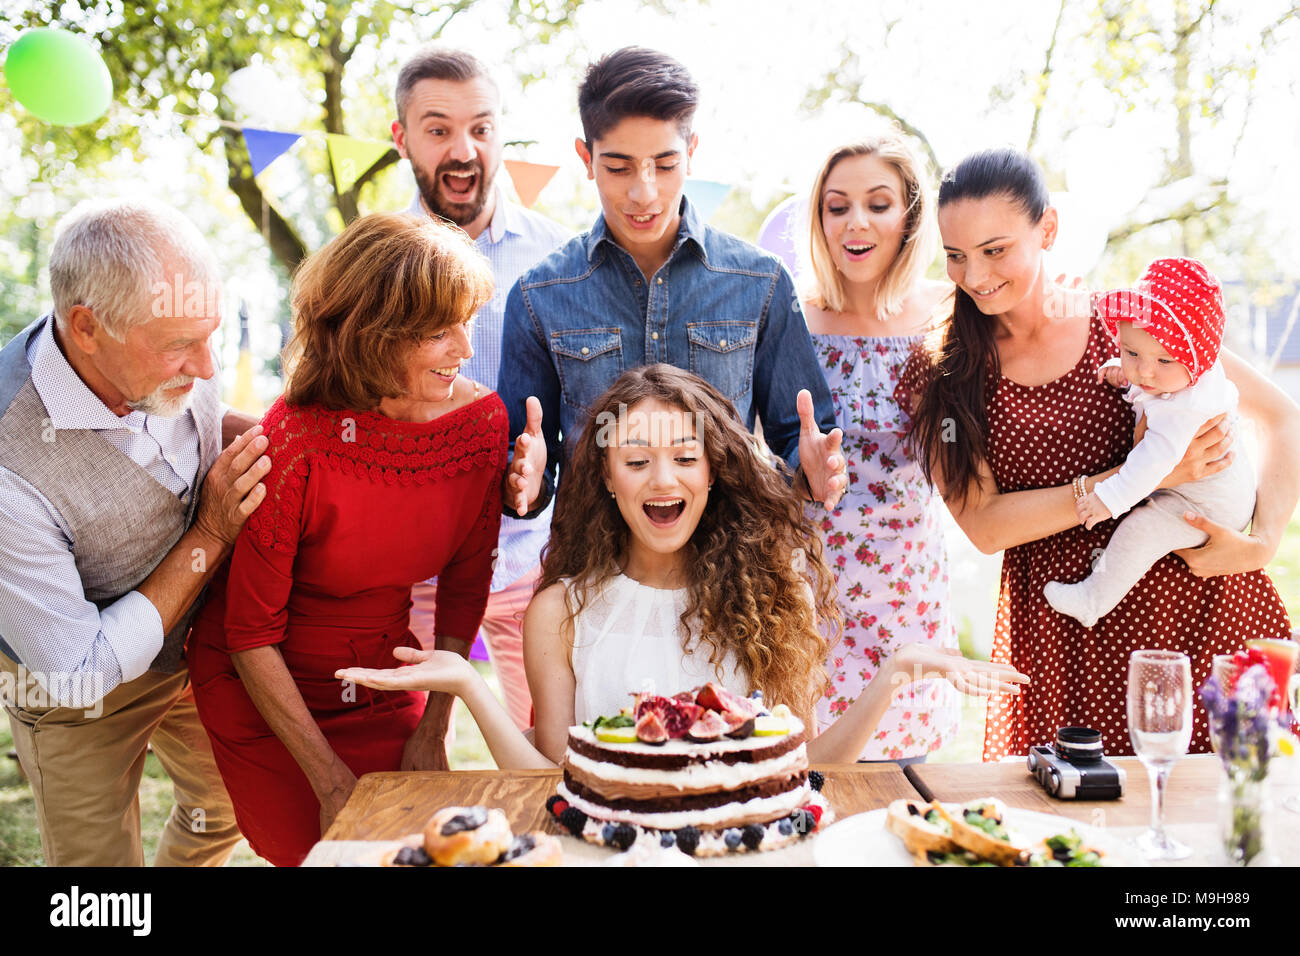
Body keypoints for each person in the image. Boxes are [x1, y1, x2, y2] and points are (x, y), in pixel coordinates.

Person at [336, 365, 1027, 769]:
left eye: (685, 459)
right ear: (607, 479)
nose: (662, 480)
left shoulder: (770, 588)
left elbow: (803, 767)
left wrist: (895, 671)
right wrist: (470, 686)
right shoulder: (562, 610)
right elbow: (549, 778)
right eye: (636, 461)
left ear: (715, 472)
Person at [899, 147, 1297, 759]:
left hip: (1201, 600)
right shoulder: (942, 372)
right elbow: (983, 523)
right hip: (1068, 637)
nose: (974, 275)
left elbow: (1281, 416)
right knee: (1076, 842)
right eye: (955, 256)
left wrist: (1264, 539)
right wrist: (1125, 480)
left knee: (1236, 832)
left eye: (995, 250)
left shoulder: (1135, 325)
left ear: (1048, 230)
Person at [187, 213, 506, 866]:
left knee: (422, 847)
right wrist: (329, 779)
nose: (464, 350)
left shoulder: (481, 425)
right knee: (326, 853)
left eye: (466, 321)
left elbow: (465, 588)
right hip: (265, 687)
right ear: (375, 335)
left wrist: (431, 729)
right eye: (438, 331)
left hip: (381, 672)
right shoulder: (296, 436)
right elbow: (250, 633)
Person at [0, 197, 269, 866]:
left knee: (228, 810)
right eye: (182, 345)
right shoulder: (8, 459)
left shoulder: (168, 352)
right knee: (100, 882)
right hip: (76, 692)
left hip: (196, 652)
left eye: (210, 335)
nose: (207, 368)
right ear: (86, 327)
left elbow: (195, 424)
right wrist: (210, 531)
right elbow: (78, 672)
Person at [499, 46, 847, 524]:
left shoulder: (760, 282)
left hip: (730, 574)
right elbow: (524, 464)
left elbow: (802, 442)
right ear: (585, 157)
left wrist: (813, 473)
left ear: (692, 152)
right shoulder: (539, 297)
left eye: (664, 165)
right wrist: (525, 482)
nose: (644, 193)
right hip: (595, 576)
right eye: (618, 168)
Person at [391, 47, 571, 734]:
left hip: (535, 561)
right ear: (402, 137)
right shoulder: (374, 259)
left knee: (553, 758)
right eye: (438, 129)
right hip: (412, 573)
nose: (463, 150)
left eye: (482, 127)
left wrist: (541, 470)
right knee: (398, 758)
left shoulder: (561, 260)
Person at [799, 129, 961, 765]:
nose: (855, 222)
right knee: (808, 789)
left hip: (909, 588)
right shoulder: (791, 318)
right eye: (837, 206)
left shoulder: (950, 313)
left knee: (902, 784)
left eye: (878, 203)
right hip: (813, 593)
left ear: (911, 213)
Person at [1045, 258, 1256, 627]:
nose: (1144, 372)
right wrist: (1123, 372)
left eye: (1162, 360)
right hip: (1208, 492)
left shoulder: (1186, 410)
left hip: (1206, 509)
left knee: (1140, 529)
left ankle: (1093, 599)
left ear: (1196, 360)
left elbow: (1153, 461)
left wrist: (1109, 499)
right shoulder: (1178, 375)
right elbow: (1153, 378)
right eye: (1131, 353)